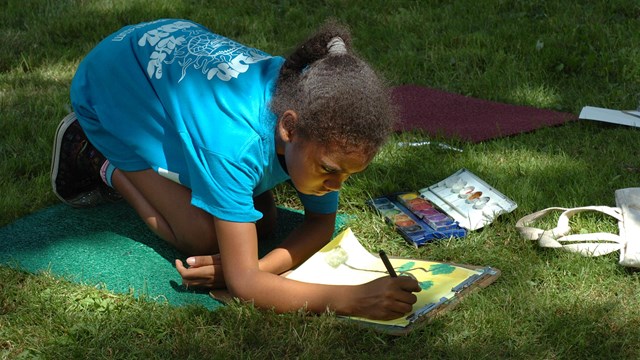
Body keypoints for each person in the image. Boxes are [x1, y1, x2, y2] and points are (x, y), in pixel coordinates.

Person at [51, 18, 420, 320]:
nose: (335, 184)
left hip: (158, 64)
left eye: (347, 175)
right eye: (329, 170)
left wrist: (251, 267)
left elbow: (318, 226)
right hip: (111, 87)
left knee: (262, 223)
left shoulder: (320, 121)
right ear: (288, 129)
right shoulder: (236, 145)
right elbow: (245, 288)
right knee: (201, 236)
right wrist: (352, 299)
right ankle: (96, 157)